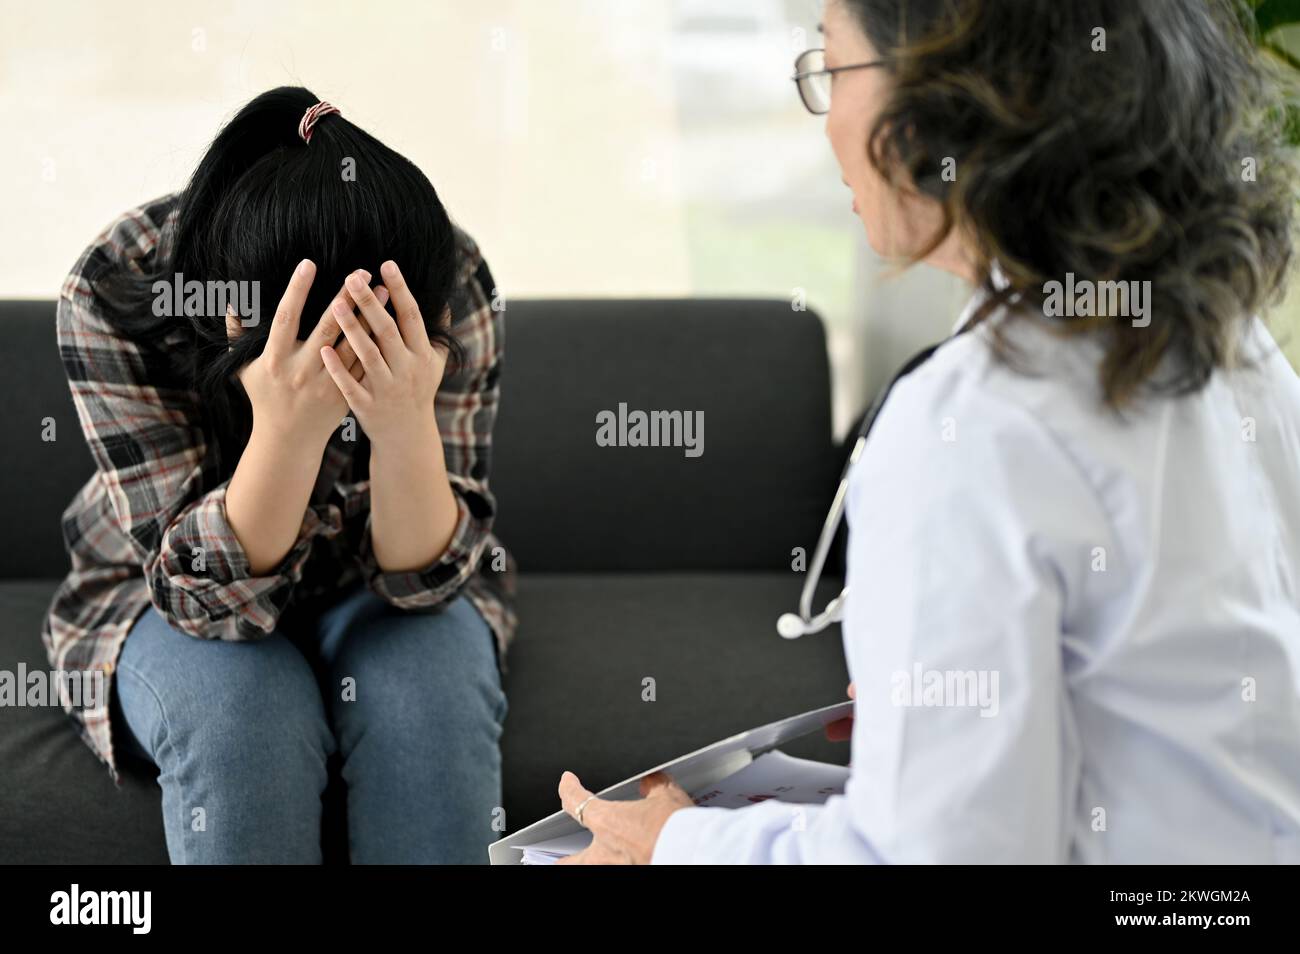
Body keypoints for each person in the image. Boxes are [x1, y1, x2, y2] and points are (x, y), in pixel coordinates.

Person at [555, 0, 1300, 863]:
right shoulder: (1232, 347)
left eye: (832, 69)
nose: (829, 120)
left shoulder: (974, 422)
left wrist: (678, 845)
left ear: (951, 92)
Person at [43, 86, 515, 864]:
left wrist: (402, 425)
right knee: (242, 713)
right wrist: (289, 430)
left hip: (372, 586)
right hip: (164, 586)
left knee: (427, 701)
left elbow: (424, 581)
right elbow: (203, 604)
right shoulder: (119, 282)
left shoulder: (447, 273)